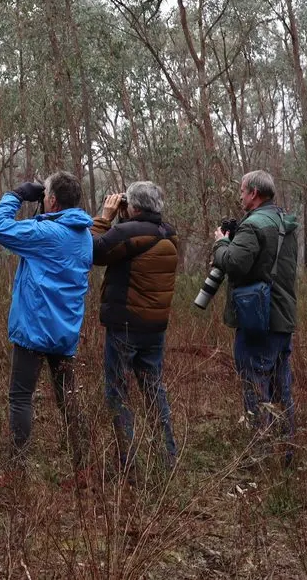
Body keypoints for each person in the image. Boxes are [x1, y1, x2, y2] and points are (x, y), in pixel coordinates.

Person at [0, 171, 93, 474]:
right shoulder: (84, 235)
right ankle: (84, 465)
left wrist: (17, 195)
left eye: (45, 194)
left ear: (53, 201)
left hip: (34, 330)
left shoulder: (45, 233)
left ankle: (16, 469)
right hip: (64, 331)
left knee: (20, 397)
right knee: (68, 398)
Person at [90, 181, 180, 475]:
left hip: (125, 326)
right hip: (155, 328)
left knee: (117, 392)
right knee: (154, 391)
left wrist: (105, 217)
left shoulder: (128, 232)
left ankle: (127, 464)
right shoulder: (169, 232)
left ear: (134, 205)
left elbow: (93, 252)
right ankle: (167, 458)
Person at [212, 169, 299, 465]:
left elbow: (233, 264)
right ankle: (286, 452)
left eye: (242, 190)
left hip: (257, 320)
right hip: (282, 318)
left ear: (254, 193)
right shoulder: (284, 222)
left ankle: (260, 456)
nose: (240, 196)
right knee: (281, 389)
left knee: (254, 385)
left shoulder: (253, 225)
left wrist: (221, 244)